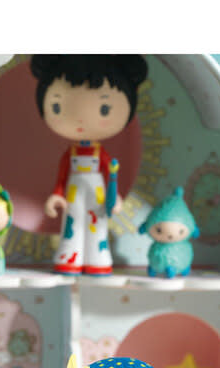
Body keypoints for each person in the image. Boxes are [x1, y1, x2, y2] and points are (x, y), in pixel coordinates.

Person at [30, 55, 148, 275]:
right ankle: (69, 256)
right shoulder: (70, 154)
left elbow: (110, 173)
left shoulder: (100, 154)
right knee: (72, 222)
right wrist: (57, 194)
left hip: (97, 191)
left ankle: (97, 257)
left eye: (104, 109)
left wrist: (115, 197)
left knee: (97, 222)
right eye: (57, 106)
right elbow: (62, 176)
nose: (81, 121)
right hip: (73, 190)